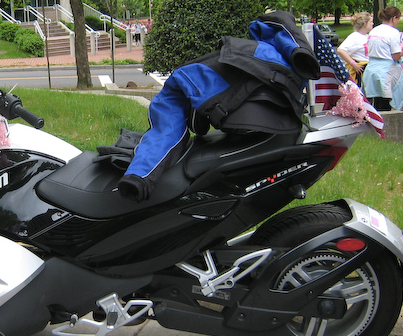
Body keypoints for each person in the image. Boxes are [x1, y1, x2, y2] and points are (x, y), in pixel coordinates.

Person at [117, 11, 319, 202]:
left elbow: (167, 122)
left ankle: (141, 176)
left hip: (249, 118)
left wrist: (139, 175)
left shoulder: (225, 59)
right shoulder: (283, 56)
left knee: (174, 94)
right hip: (283, 116)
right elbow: (280, 27)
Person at [361, 6, 403, 111]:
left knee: (374, 101)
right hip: (386, 70)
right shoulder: (393, 32)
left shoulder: (374, 31)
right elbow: (396, 55)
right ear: (394, 18)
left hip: (371, 68)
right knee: (385, 102)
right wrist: (402, 49)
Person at [336, 12, 372, 84]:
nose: (372, 23)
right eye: (371, 22)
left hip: (367, 70)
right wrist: (353, 64)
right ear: (365, 24)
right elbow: (341, 50)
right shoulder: (354, 37)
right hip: (359, 72)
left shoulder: (367, 36)